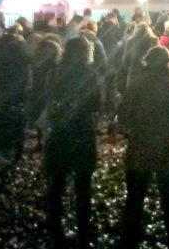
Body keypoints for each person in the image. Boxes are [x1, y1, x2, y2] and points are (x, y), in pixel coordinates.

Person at [120, 46, 169, 249]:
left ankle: (130, 237)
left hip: (140, 145)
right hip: (167, 146)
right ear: (167, 63)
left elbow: (123, 114)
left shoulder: (135, 85)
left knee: (135, 196)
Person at [43, 37, 101, 249]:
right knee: (83, 183)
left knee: (57, 182)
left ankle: (56, 228)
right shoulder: (89, 73)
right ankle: (83, 229)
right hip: (81, 131)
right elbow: (96, 103)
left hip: (59, 131)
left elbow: (48, 96)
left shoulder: (55, 72)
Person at [0, 27, 31, 163]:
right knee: (18, 121)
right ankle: (15, 150)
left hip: (3, 93)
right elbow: (27, 76)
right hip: (17, 94)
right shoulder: (22, 56)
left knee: (0, 118)